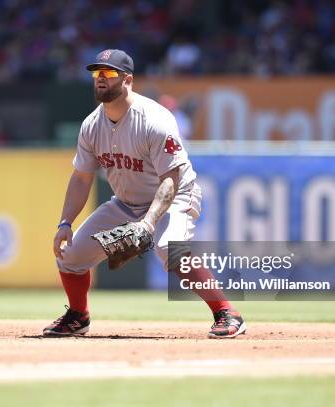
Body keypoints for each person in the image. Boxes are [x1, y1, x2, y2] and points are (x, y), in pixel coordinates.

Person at [44, 49, 246, 339]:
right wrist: (64, 223)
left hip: (175, 196)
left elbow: (171, 179)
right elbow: (81, 177)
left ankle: (227, 312)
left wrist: (149, 223)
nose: (101, 79)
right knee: (70, 255)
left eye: (109, 73)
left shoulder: (154, 120)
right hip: (126, 203)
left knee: (169, 249)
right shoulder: (91, 125)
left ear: (128, 80)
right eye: (96, 73)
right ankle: (78, 316)